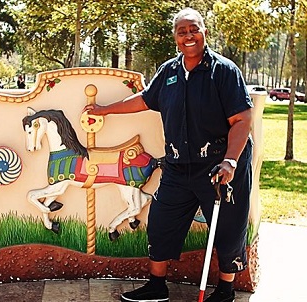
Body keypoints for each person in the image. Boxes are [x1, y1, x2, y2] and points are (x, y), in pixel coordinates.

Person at [83, 7, 253, 302]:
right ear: (175, 37)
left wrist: (230, 160)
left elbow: (242, 120)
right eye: (182, 31)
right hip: (177, 166)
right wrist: (104, 110)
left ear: (204, 32)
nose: (189, 35)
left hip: (219, 166)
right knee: (161, 223)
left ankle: (225, 290)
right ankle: (156, 286)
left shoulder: (224, 71)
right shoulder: (170, 71)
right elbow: (147, 99)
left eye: (194, 29)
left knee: (227, 227)